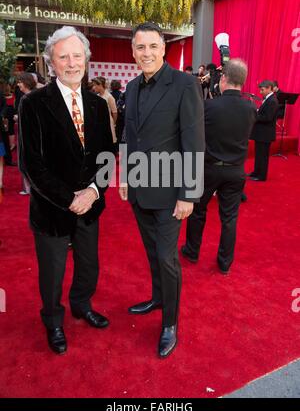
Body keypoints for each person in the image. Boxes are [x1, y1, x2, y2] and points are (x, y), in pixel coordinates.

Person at [18, 26, 114, 355]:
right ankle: (54, 321)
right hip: (52, 208)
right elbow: (32, 164)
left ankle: (81, 304)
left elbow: (108, 157)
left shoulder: (99, 104)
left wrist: (92, 192)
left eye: (77, 55)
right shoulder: (32, 104)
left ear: (86, 60)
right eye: (63, 57)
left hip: (90, 205)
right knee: (53, 272)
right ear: (51, 63)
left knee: (89, 264)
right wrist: (69, 198)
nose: (71, 63)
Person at [119, 22, 205, 358]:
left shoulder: (184, 84)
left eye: (153, 46)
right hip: (140, 189)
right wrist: (125, 175)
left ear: (164, 47)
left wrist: (189, 194)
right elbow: (129, 136)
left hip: (171, 194)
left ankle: (170, 323)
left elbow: (194, 141)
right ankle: (158, 298)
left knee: (167, 259)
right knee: (152, 253)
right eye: (140, 48)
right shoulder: (131, 86)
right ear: (133, 51)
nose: (147, 54)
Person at [181, 59, 257, 273]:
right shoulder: (251, 108)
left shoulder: (209, 106)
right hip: (236, 171)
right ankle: (225, 263)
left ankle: (192, 251)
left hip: (208, 169)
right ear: (243, 82)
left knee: (197, 211)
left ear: (223, 79)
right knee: (230, 218)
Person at [248, 80, 279, 181]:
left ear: (269, 88)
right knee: (258, 155)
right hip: (261, 133)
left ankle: (261, 176)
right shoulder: (268, 99)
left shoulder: (272, 100)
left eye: (262, 90)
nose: (260, 92)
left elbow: (267, 117)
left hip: (265, 134)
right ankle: (256, 172)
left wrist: (254, 115)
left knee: (263, 156)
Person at [16, 73, 37, 195]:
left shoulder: (28, 98)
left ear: (26, 82)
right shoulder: (31, 97)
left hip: (28, 137)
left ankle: (30, 188)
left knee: (26, 162)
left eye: (20, 82)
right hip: (28, 135)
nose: (18, 84)